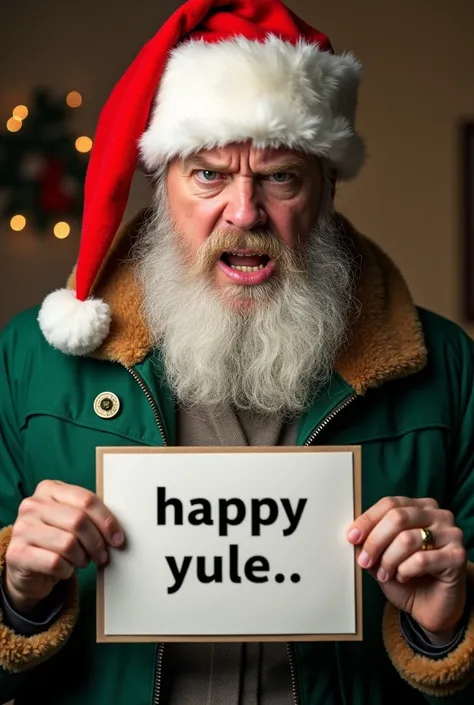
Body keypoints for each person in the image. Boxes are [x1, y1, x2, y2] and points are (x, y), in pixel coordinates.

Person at [1, 0, 474, 703]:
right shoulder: (30, 362)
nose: (245, 212)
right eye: (209, 174)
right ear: (163, 184)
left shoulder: (447, 368)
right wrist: (20, 600)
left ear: (326, 188)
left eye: (281, 176)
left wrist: (445, 628)